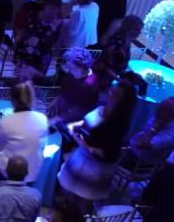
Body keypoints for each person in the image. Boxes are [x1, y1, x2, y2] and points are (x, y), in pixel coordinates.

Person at [58, 80, 138, 211]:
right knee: (66, 195)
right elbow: (87, 122)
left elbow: (110, 153)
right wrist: (78, 125)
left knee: (80, 207)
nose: (110, 94)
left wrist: (87, 146)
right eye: (112, 91)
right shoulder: (101, 107)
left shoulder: (119, 124)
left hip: (95, 169)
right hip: (80, 158)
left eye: (116, 95)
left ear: (124, 102)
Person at [0, 82, 50, 182]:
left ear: (13, 100)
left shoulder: (5, 122)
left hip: (11, 172)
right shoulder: (43, 118)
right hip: (34, 171)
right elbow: (43, 144)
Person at [47, 47, 102, 124]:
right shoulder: (73, 73)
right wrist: (55, 101)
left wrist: (56, 119)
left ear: (81, 68)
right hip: (63, 108)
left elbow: (79, 110)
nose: (68, 69)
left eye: (71, 67)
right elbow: (65, 90)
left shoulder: (89, 85)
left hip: (73, 119)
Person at [13, 0, 63, 80]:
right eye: (51, 7)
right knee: (19, 80)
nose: (53, 11)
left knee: (30, 84)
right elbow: (26, 34)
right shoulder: (33, 15)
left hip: (41, 60)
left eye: (56, 9)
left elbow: (53, 44)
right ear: (45, 5)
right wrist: (18, 47)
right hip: (25, 54)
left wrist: (53, 28)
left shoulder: (57, 24)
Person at [129, 97, 174, 166]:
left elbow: (140, 144)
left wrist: (154, 127)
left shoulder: (172, 135)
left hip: (139, 163)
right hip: (133, 150)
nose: (157, 111)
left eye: (162, 110)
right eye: (159, 107)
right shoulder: (162, 117)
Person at [94, 15, 143, 83]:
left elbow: (121, 62)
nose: (139, 32)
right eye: (137, 29)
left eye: (140, 30)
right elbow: (105, 66)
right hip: (100, 78)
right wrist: (119, 80)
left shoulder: (127, 40)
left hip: (111, 78)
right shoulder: (117, 41)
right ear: (128, 27)